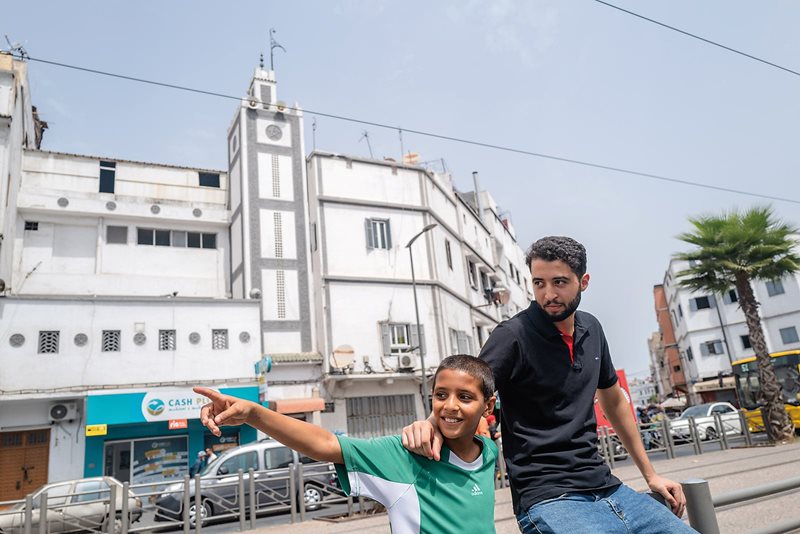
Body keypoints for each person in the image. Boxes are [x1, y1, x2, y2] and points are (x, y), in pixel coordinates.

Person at [402, 236, 695, 533]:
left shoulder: (592, 328)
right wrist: (429, 423)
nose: (548, 294)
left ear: (584, 281)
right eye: (539, 283)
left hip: (607, 487)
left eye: (559, 282)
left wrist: (651, 475)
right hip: (548, 497)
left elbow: (614, 400)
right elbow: (468, 388)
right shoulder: (513, 335)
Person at [195, 355, 499, 534]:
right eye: (441, 395)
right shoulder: (406, 457)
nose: (450, 406)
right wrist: (253, 413)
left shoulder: (488, 452)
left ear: (488, 407)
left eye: (465, 397)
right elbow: (326, 443)